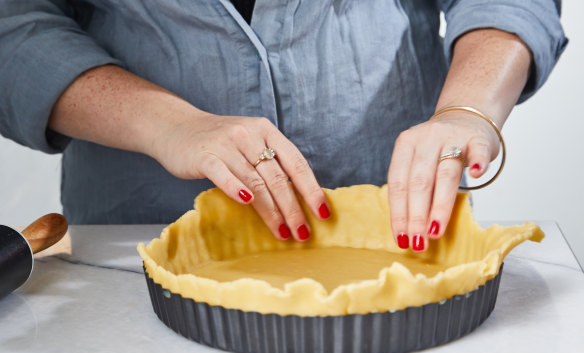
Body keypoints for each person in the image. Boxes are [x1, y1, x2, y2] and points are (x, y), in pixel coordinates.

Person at [0, 1, 567, 252]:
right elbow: (13, 24)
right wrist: (169, 124)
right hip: (136, 241)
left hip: (405, 239)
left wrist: (464, 111)